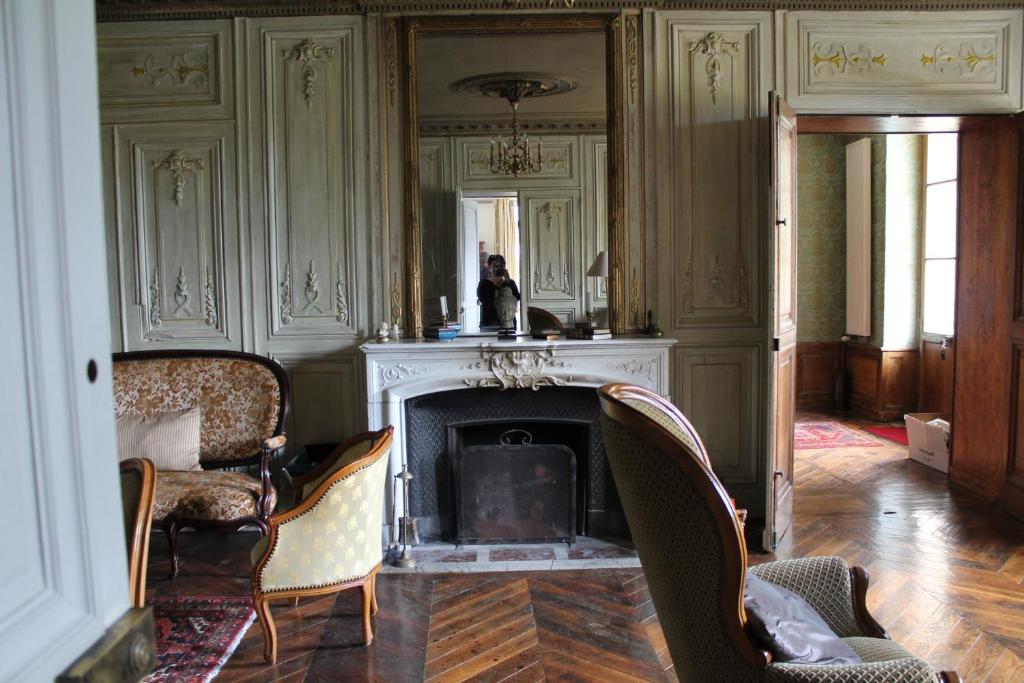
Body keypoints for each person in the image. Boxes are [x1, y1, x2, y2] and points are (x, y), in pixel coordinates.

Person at [477, 254, 521, 328]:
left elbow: (517, 297)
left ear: (504, 267)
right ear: (489, 267)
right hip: (489, 322)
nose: (497, 268)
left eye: (500, 265)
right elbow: (483, 299)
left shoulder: (510, 282)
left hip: (509, 322)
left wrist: (508, 280)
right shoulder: (483, 283)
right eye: (495, 265)